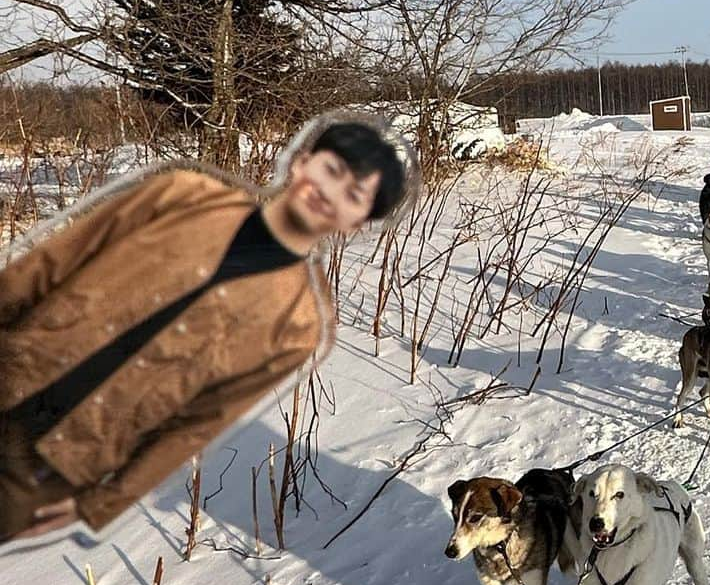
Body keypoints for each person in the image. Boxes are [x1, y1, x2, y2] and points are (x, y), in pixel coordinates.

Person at [0, 110, 419, 545]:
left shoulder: (296, 326)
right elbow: (45, 267)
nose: (329, 192)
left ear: (356, 223)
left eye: (353, 195)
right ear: (301, 162)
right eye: (331, 170)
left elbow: (195, 425)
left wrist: (102, 501)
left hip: (54, 466)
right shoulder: (183, 195)